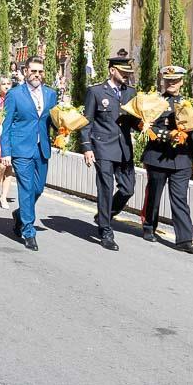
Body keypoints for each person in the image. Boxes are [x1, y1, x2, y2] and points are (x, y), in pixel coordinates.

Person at [140, 65, 193, 254]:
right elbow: (146, 128)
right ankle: (149, 226)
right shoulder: (154, 102)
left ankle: (184, 239)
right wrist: (167, 135)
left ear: (182, 82)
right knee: (154, 194)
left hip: (182, 159)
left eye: (175, 81)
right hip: (158, 157)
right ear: (163, 81)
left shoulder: (190, 104)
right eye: (168, 80)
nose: (171, 84)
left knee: (180, 198)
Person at [80, 55, 137, 252]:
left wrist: (144, 123)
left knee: (128, 189)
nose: (127, 76)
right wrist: (87, 147)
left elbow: (135, 122)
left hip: (124, 149)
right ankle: (105, 230)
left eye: (129, 73)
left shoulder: (131, 93)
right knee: (105, 188)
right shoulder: (96, 92)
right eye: (123, 72)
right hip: (102, 147)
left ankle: (105, 214)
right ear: (112, 70)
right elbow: (86, 121)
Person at [0, 57, 57, 252]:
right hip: (21, 149)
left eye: (40, 72)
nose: (37, 75)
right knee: (26, 187)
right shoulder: (15, 95)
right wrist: (6, 151)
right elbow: (5, 125)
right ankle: (28, 230)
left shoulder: (51, 94)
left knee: (38, 188)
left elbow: (53, 122)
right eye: (33, 71)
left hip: (42, 149)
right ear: (25, 72)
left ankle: (20, 214)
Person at [0, 75, 15, 208]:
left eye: (8, 83)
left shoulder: (15, 99)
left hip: (13, 136)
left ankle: (4, 197)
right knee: (1, 166)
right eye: (3, 84)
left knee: (9, 167)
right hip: (0, 135)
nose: (6, 86)